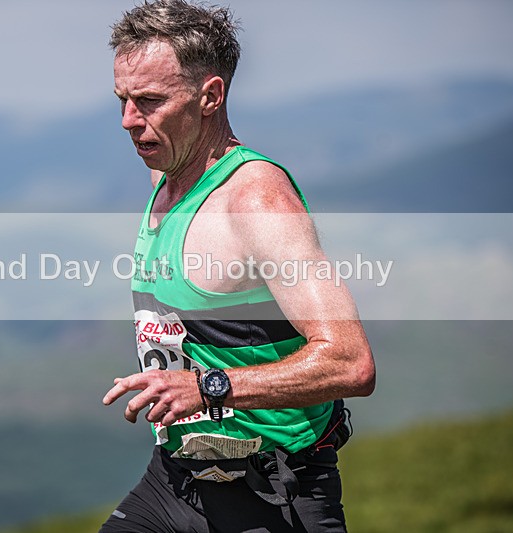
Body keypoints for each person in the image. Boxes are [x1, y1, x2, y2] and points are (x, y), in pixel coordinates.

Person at [101, 1, 376, 531]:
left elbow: (350, 362)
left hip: (274, 492)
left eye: (150, 101)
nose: (129, 121)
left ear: (210, 97)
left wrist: (208, 387)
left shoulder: (255, 198)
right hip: (175, 479)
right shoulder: (168, 178)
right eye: (123, 100)